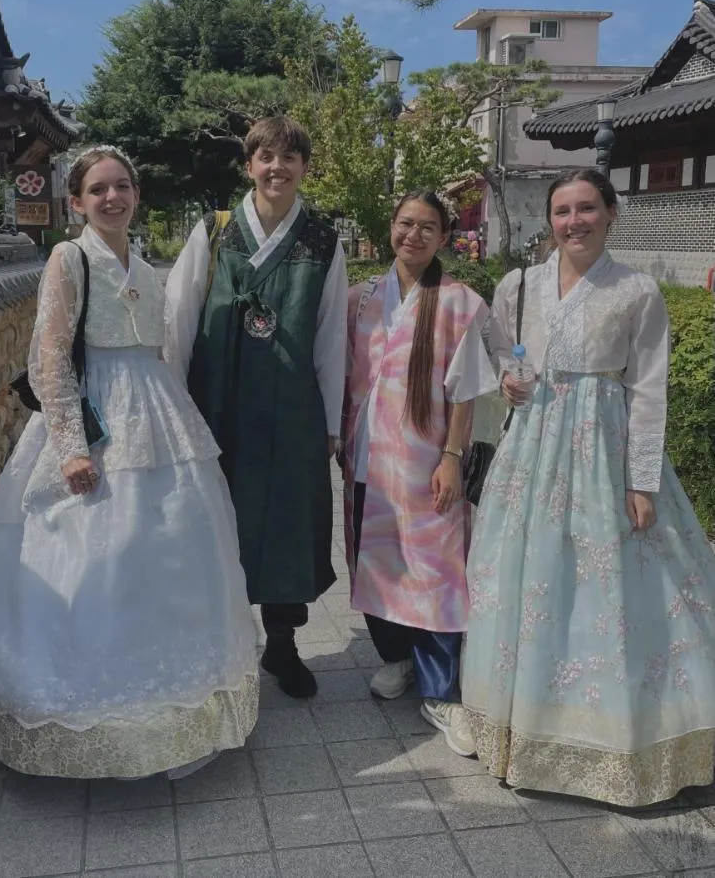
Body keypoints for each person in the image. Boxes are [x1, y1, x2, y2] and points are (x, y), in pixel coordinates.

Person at [0, 145, 258, 779]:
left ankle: (172, 708)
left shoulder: (147, 267)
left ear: (137, 194)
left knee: (170, 549)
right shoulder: (69, 260)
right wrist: (69, 448)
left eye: (123, 186)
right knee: (97, 558)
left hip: (159, 412)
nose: (113, 197)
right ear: (77, 202)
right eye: (99, 190)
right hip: (98, 418)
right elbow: (50, 358)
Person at [462, 167, 715, 807]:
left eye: (586, 209)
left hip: (604, 446)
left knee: (610, 580)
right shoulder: (518, 284)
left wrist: (641, 480)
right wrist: (510, 380)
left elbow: (648, 389)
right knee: (531, 575)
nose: (574, 221)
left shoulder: (637, 291)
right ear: (549, 220)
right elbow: (503, 353)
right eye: (562, 211)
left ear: (610, 213)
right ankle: (522, 726)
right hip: (533, 448)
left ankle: (625, 730)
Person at [166, 117, 348, 699]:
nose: (278, 168)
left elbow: (331, 334)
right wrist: (175, 406)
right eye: (266, 157)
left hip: (292, 408)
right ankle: (216, 645)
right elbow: (179, 322)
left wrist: (330, 420)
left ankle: (282, 645)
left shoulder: (323, 238)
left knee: (288, 523)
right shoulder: (215, 230)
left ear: (304, 168)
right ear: (249, 165)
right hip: (218, 400)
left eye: (290, 158)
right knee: (219, 517)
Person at [341, 189, 498, 755]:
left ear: (443, 235)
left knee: (434, 568)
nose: (414, 235)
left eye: (427, 227)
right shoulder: (359, 299)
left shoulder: (460, 302)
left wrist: (453, 458)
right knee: (376, 562)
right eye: (405, 223)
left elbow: (465, 393)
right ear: (391, 226)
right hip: (366, 457)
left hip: (427, 461)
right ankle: (397, 658)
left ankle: (442, 688)